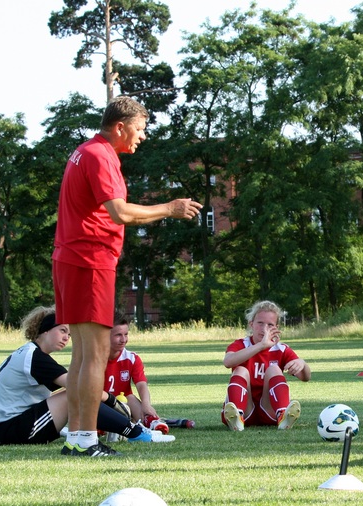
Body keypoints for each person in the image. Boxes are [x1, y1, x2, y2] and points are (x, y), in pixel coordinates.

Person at [52, 96, 201, 457]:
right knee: (96, 355)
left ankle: (76, 438)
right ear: (120, 127)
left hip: (71, 258)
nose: (142, 136)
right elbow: (119, 213)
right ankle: (86, 439)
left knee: (82, 355)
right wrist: (169, 208)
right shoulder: (100, 155)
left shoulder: (85, 151)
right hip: (89, 259)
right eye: (139, 128)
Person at [0, 307, 173, 449]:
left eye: (69, 333)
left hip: (6, 428)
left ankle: (127, 430)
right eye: (62, 331)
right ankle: (136, 432)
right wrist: (113, 401)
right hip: (7, 432)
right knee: (73, 393)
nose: (67, 337)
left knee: (72, 393)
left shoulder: (30, 353)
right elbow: (79, 387)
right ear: (45, 330)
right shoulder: (34, 357)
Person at [221, 300, 310, 431]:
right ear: (251, 324)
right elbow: (228, 362)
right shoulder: (241, 344)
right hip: (246, 409)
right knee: (240, 370)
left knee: (274, 369)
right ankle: (236, 418)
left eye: (270, 325)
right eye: (260, 323)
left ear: (276, 328)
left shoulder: (281, 349)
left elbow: (305, 377)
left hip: (269, 410)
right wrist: (261, 345)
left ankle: (282, 415)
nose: (264, 328)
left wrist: (302, 363)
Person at [104, 313, 168, 434]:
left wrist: (146, 404)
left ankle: (150, 421)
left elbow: (141, 384)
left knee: (130, 397)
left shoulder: (132, 358)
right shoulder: (96, 358)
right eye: (118, 335)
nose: (123, 340)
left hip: (124, 404)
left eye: (126, 334)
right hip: (101, 402)